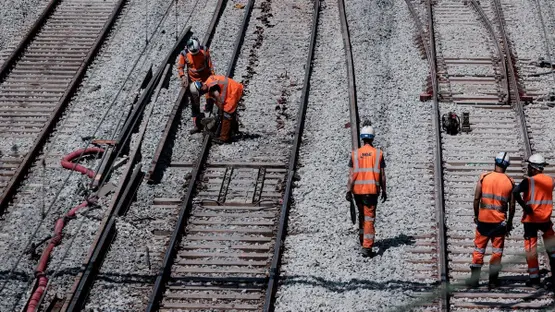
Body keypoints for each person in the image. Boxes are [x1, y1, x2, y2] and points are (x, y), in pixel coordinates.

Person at [465, 152, 514, 289]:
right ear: (507, 166)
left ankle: (474, 281)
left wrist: (477, 216)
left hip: (483, 221)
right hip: (499, 223)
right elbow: (512, 205)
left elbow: (476, 199)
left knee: (479, 250)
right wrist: (509, 223)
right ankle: (493, 281)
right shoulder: (510, 181)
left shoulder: (484, 177)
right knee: (497, 252)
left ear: (495, 162)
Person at [513, 153, 555, 288]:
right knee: (552, 249)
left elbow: (515, 192)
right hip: (545, 220)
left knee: (531, 249)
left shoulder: (529, 181)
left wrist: (524, 206)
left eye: (529, 167)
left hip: (531, 220)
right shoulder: (551, 180)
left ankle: (534, 279)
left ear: (534, 168)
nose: (528, 169)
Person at [345, 125, 387, 257]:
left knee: (362, 215)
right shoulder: (378, 154)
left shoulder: (355, 154)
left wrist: (348, 190)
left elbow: (351, 175)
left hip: (357, 191)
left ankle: (362, 239)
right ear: (373, 138)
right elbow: (382, 175)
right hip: (371, 191)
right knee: (369, 218)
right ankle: (367, 247)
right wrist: (384, 190)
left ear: (362, 138)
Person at [176, 37, 215, 134]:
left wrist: (213, 79)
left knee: (210, 99)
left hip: (206, 79)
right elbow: (180, 67)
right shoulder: (184, 54)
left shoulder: (204, 51)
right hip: (193, 81)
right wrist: (183, 76)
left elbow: (210, 66)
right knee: (194, 104)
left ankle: (209, 120)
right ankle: (197, 124)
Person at [195, 74, 243, 144]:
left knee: (227, 114)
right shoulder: (208, 83)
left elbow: (218, 97)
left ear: (201, 86)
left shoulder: (211, 87)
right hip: (233, 89)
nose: (203, 93)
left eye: (201, 91)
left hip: (234, 91)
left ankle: (224, 138)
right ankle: (233, 130)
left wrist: (221, 111)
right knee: (229, 113)